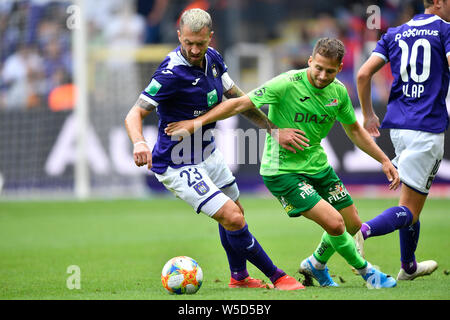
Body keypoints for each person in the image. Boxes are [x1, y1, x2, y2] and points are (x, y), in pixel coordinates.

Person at [166, 37, 400, 288]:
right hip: (282, 171)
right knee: (335, 223)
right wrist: (194, 124)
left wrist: (383, 159)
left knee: (352, 223)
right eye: (318, 68)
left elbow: (354, 130)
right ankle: (369, 274)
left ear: (340, 68)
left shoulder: (339, 93)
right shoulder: (286, 83)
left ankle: (316, 264)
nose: (322, 75)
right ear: (310, 61)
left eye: (329, 71)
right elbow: (238, 104)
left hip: (318, 166)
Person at [125, 8, 305, 290]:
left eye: (200, 43)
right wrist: (139, 142)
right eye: (188, 43)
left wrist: (273, 129)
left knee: (236, 215)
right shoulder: (171, 73)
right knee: (232, 217)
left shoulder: (214, 60)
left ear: (211, 37)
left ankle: (240, 278)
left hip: (208, 154)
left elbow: (237, 99)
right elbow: (134, 114)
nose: (194, 50)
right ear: (178, 36)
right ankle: (278, 276)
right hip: (177, 163)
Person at [356, 0, 449, 281]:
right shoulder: (445, 31)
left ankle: (408, 266)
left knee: (410, 196)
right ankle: (362, 231)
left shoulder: (393, 33)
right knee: (410, 208)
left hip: (398, 126)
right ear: (436, 2)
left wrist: (369, 114)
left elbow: (362, 74)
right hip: (427, 127)